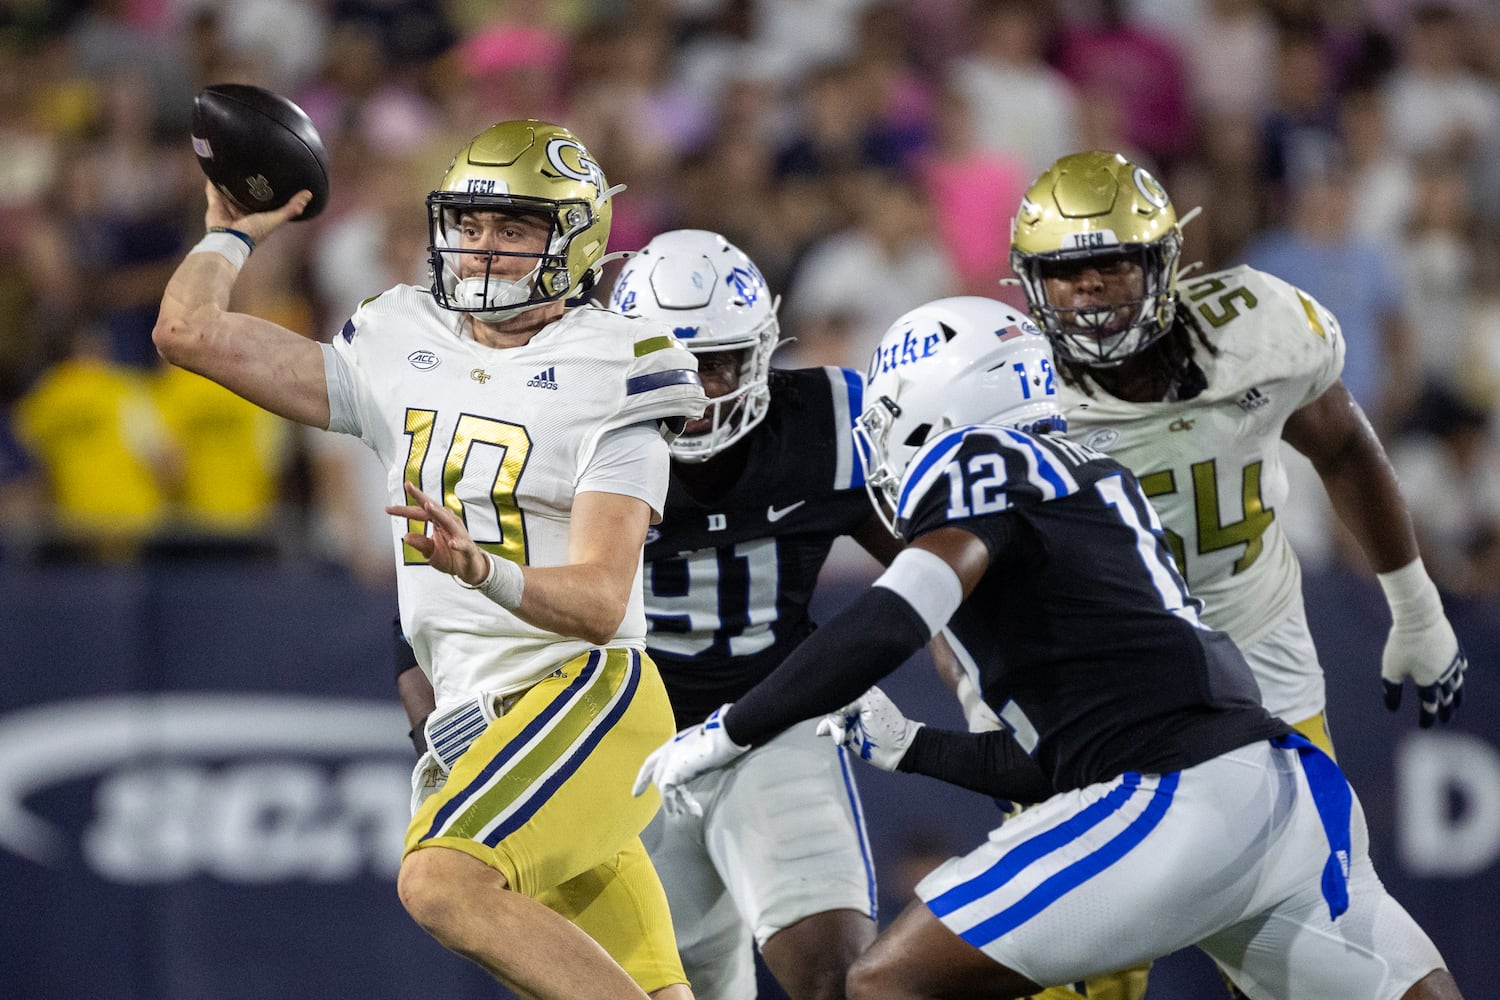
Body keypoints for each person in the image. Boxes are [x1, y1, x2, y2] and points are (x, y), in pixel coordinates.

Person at [632, 295, 1464, 1000]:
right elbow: (1067, 759)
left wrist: (730, 728)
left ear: (928, 403)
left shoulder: (983, 461)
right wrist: (920, 747)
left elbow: (893, 617)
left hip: (1180, 799)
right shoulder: (1075, 478)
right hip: (1287, 793)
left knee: (885, 982)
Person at [152, 119, 707, 1000]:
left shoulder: (616, 368)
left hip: (583, 696)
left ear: (576, 242)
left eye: (515, 230)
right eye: (470, 225)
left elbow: (603, 600)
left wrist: (481, 567)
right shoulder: (397, 337)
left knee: (441, 880)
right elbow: (188, 333)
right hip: (475, 720)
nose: (483, 250)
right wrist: (231, 231)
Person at [395, 227, 895, 999]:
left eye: (718, 364)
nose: (694, 393)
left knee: (836, 976)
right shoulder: (560, 424)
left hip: (771, 721)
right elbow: (429, 598)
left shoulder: (827, 421)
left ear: (764, 350)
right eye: (673, 362)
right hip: (613, 744)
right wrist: (437, 721)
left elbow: (927, 557)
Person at [1006, 150, 1465, 747]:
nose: (1090, 287)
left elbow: (1344, 444)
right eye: (1066, 271)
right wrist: (994, 702)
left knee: (1315, 837)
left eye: (1113, 263)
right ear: (1031, 281)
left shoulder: (1251, 335)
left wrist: (1417, 607)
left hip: (1259, 641)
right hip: (1092, 668)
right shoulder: (1011, 401)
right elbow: (951, 564)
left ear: (1162, 263)